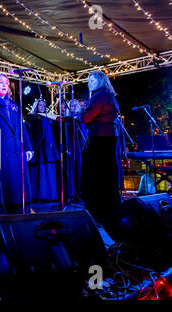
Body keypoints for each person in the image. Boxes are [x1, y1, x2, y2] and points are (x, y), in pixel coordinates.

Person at [0, 73, 33, 214]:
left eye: (7, 83)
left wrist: (28, 147)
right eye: (1, 82)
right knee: (1, 193)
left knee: (17, 191)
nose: (5, 85)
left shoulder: (13, 104)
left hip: (16, 150)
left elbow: (21, 128)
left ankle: (19, 218)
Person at [76, 71, 122, 225]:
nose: (89, 83)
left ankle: (98, 213)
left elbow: (87, 118)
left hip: (100, 140)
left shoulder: (99, 96)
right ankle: (110, 212)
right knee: (107, 177)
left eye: (92, 80)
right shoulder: (108, 95)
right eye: (88, 80)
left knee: (94, 177)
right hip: (108, 138)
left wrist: (78, 113)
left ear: (100, 81)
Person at [26, 99, 59, 202]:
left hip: (49, 148)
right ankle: (38, 195)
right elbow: (30, 133)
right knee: (38, 171)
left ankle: (50, 195)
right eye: (40, 105)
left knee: (49, 171)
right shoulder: (31, 117)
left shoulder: (49, 117)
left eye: (43, 105)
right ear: (36, 106)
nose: (42, 106)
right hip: (37, 148)